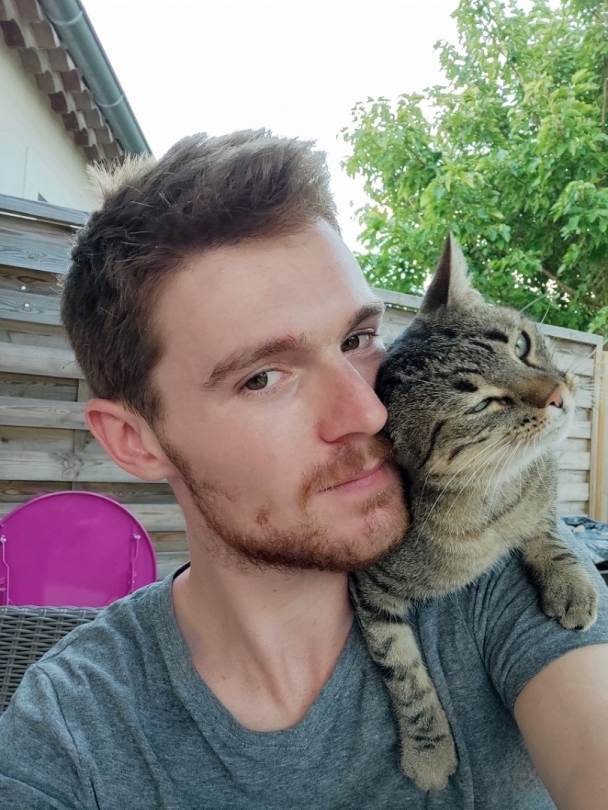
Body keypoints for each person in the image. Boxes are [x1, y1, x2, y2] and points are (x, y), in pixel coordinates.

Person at [0, 130, 607, 810]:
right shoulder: (70, 731)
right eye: (262, 377)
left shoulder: (492, 565)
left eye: (358, 339)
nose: (368, 413)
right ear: (135, 441)